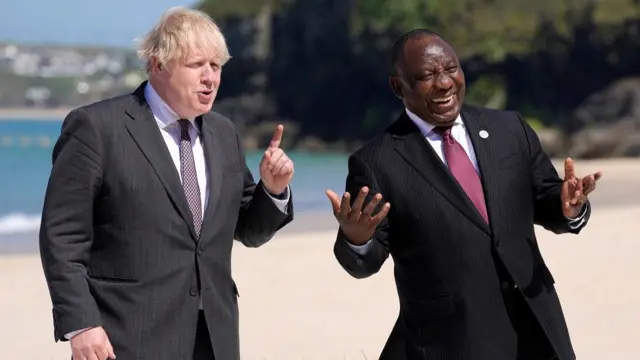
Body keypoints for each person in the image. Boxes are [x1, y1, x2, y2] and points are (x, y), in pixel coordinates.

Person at [325, 29, 601, 360]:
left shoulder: (509, 129)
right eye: (427, 75)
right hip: (452, 341)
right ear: (398, 86)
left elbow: (546, 198)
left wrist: (568, 207)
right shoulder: (376, 162)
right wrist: (356, 239)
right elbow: (364, 262)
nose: (444, 83)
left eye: (451, 68)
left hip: (537, 326)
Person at [39, 7, 294, 360]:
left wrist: (274, 189)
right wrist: (81, 325)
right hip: (126, 337)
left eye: (216, 66)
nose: (210, 78)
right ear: (158, 65)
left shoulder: (224, 133)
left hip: (214, 338)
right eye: (197, 65)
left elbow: (249, 229)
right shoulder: (96, 129)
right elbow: (62, 237)